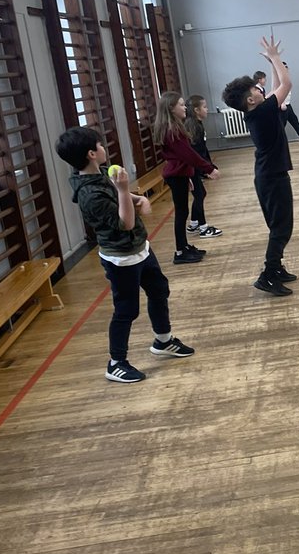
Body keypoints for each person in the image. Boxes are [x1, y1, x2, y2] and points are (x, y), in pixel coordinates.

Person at [54, 126, 196, 383]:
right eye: (100, 145)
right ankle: (116, 362)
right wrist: (123, 192)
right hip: (122, 259)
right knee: (126, 310)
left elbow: (127, 202)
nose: (103, 147)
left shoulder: (98, 177)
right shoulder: (90, 194)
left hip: (140, 249)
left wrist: (133, 197)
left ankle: (163, 340)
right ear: (91, 153)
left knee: (159, 290)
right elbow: (126, 222)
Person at [222, 37, 297, 297]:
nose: (259, 89)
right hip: (272, 178)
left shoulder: (259, 111)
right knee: (282, 228)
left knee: (279, 226)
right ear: (251, 100)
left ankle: (276, 269)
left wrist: (272, 64)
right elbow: (286, 84)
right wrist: (275, 58)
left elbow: (277, 86)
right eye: (254, 89)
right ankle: (268, 274)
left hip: (268, 176)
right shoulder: (261, 112)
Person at [154, 91, 219, 265]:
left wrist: (188, 174)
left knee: (183, 211)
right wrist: (209, 168)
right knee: (181, 212)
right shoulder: (172, 130)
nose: (185, 108)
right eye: (181, 105)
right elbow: (188, 154)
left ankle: (184, 245)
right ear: (171, 108)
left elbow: (182, 157)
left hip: (179, 175)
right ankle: (180, 251)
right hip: (176, 176)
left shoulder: (175, 127)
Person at [184, 94, 222, 239]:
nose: (207, 110)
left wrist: (210, 165)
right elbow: (194, 152)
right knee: (200, 194)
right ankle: (203, 228)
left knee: (200, 194)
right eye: (204, 107)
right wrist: (206, 169)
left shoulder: (198, 124)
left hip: (195, 167)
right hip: (190, 168)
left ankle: (193, 224)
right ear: (196, 110)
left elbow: (203, 149)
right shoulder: (193, 126)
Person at [279, 64, 299, 140]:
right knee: (282, 124)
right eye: (285, 67)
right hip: (282, 106)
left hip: (288, 105)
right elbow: (278, 92)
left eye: (287, 67)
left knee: (294, 120)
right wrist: (282, 103)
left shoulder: (286, 78)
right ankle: (277, 140)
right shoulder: (280, 79)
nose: (287, 69)